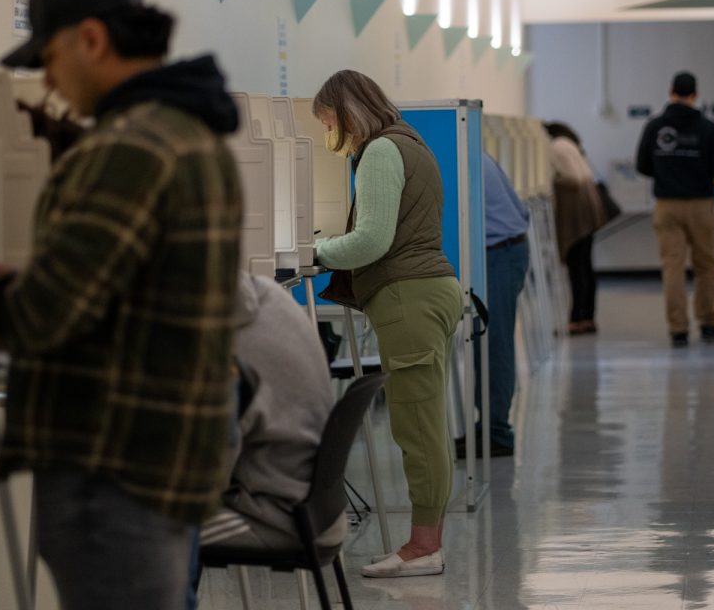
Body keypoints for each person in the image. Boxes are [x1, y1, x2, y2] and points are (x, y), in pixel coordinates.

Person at [0, 0, 243, 610]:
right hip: (159, 454)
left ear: (92, 40)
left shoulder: (129, 146)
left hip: (111, 462)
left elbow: (48, 313)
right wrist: (9, 281)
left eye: (47, 56)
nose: (45, 78)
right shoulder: (189, 136)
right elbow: (120, 294)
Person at [311, 70, 463, 579]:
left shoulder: (379, 151)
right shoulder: (410, 140)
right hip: (427, 292)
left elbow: (371, 241)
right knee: (428, 426)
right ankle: (427, 542)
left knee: (417, 429)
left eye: (327, 121)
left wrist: (314, 251)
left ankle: (423, 548)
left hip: (408, 298)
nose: (329, 134)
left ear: (346, 111)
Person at [200, 272, 344, 550]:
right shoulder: (271, 294)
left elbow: (206, 471)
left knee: (146, 528)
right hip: (316, 507)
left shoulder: (218, 338)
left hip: (275, 516)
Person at [635, 71, 714, 346]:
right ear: (695, 95)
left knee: (672, 268)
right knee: (705, 265)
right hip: (701, 205)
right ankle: (708, 324)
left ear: (670, 92)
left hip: (666, 206)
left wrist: (667, 173)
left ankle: (678, 329)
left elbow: (642, 165)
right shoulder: (707, 127)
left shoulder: (654, 127)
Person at [455, 152, 530, 459]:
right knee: (485, 342)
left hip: (498, 251)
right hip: (503, 248)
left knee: (494, 343)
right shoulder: (469, 146)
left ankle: (497, 432)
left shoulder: (455, 152)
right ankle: (488, 426)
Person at [544, 122, 605, 335]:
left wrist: (548, 181)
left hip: (576, 215)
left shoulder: (556, 147)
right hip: (588, 211)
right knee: (585, 267)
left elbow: (574, 179)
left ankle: (576, 319)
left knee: (577, 268)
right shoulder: (569, 145)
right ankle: (587, 317)